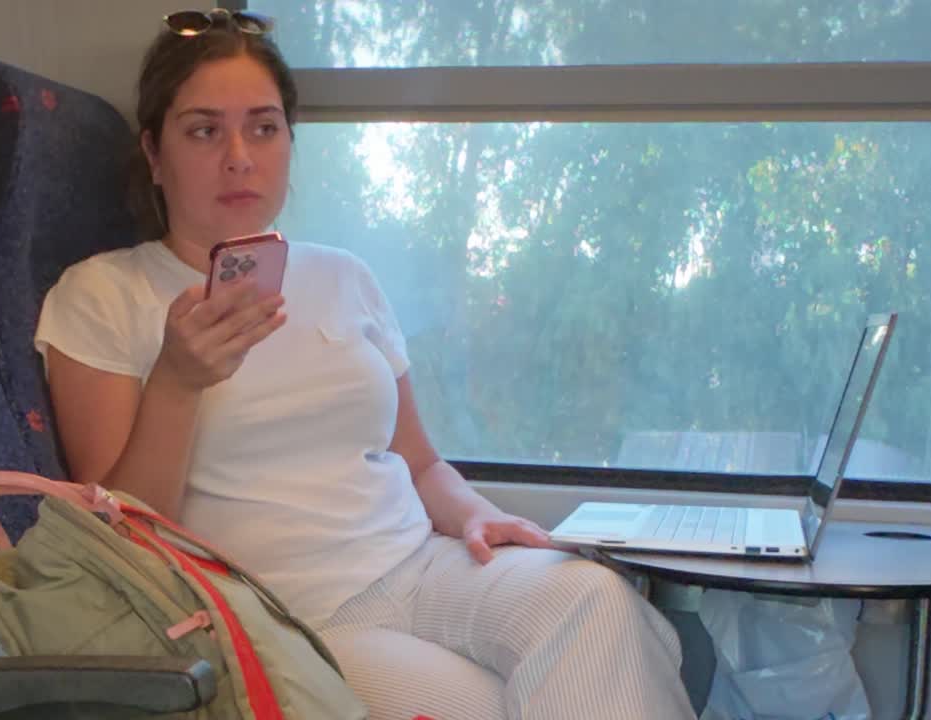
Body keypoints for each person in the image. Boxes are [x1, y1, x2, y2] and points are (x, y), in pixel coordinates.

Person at [34, 9, 695, 720]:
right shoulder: (103, 293)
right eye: (203, 130)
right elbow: (121, 541)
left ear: (290, 142)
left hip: (422, 565)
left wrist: (479, 514)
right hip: (294, 618)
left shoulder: (345, 276)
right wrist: (176, 384)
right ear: (155, 154)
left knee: (596, 602)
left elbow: (418, 462)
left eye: (263, 127)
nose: (239, 155)